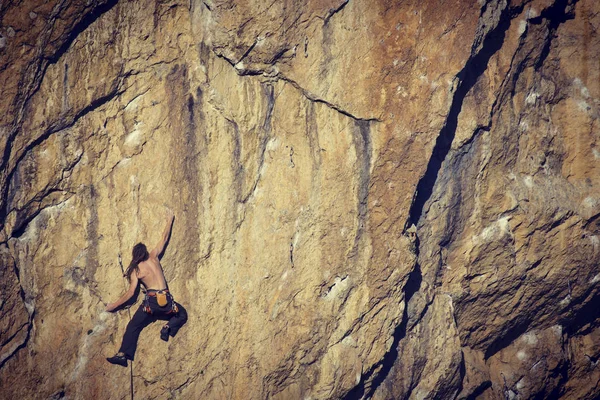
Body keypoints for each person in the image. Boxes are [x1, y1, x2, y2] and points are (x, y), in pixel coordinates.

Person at [105, 209, 188, 367]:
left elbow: (130, 294)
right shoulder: (154, 256)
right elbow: (164, 239)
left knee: (134, 326)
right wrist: (169, 220)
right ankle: (168, 327)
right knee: (182, 313)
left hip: (151, 305)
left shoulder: (137, 270)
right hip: (168, 304)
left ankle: (123, 355)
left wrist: (113, 306)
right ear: (145, 252)